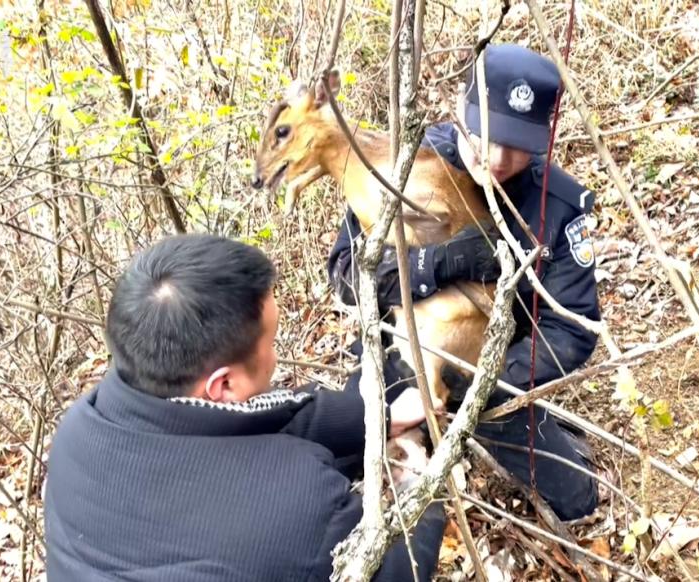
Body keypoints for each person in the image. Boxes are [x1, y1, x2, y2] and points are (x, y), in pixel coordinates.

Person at [43, 234, 445, 581]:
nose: (274, 356)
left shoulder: (79, 428)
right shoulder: (301, 509)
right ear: (223, 384)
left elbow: (260, 419)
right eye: (270, 342)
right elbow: (400, 568)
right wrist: (420, 487)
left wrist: (379, 418)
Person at [327, 44, 600, 521]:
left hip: (492, 372)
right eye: (485, 135)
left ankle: (503, 426)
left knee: (578, 499)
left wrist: (489, 380)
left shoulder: (556, 204)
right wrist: (439, 263)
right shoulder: (403, 165)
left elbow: (573, 329)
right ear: (462, 110)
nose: (496, 158)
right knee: (338, 462)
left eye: (517, 145)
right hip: (401, 350)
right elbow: (348, 280)